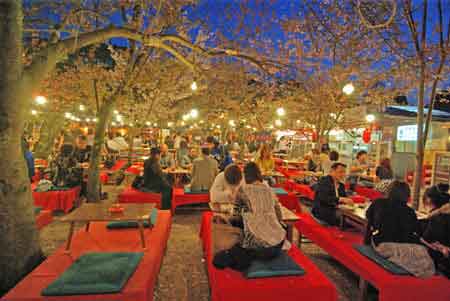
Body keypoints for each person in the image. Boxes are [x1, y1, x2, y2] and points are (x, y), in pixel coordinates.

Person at [213, 162, 289, 271]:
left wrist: (227, 217)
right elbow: (279, 216)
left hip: (260, 246)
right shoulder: (269, 189)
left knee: (222, 256)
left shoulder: (243, 190)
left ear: (245, 175)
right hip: (279, 243)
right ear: (259, 174)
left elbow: (236, 216)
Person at [365, 181, 435, 278]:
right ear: (407, 195)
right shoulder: (409, 212)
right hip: (400, 246)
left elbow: (368, 217)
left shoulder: (378, 202)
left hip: (380, 243)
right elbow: (417, 232)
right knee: (424, 254)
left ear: (390, 191)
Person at [421, 185, 450, 277]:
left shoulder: (437, 219)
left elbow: (427, 239)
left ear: (428, 200)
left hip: (443, 266)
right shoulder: (441, 215)